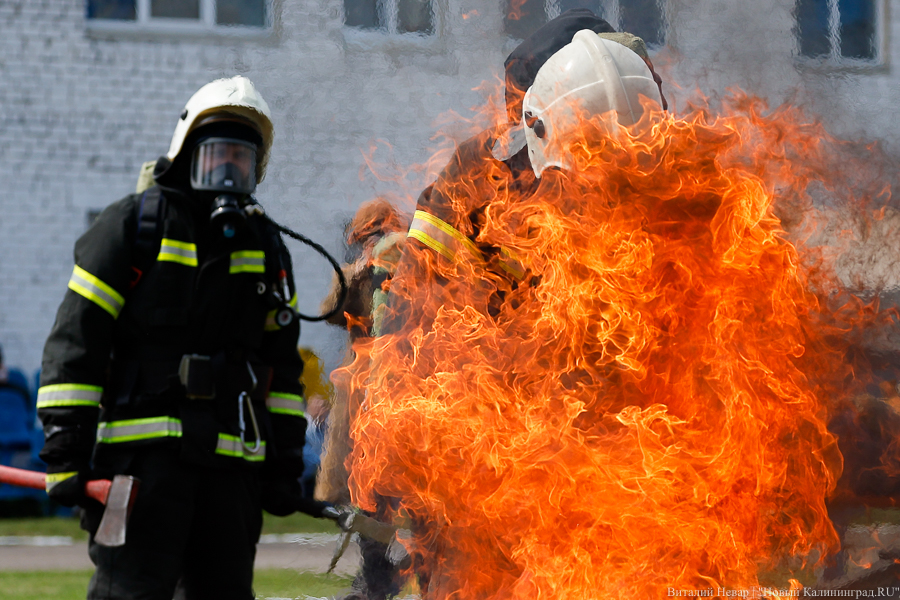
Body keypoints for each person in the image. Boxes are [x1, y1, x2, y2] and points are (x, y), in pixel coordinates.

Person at [36, 76, 312, 600]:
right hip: (138, 475)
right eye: (216, 158)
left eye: (241, 161)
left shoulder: (266, 249)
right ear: (185, 154)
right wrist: (65, 451)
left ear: (258, 169)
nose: (229, 172)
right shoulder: (131, 228)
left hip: (231, 480)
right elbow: (76, 345)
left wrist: (284, 465)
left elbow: (282, 371)